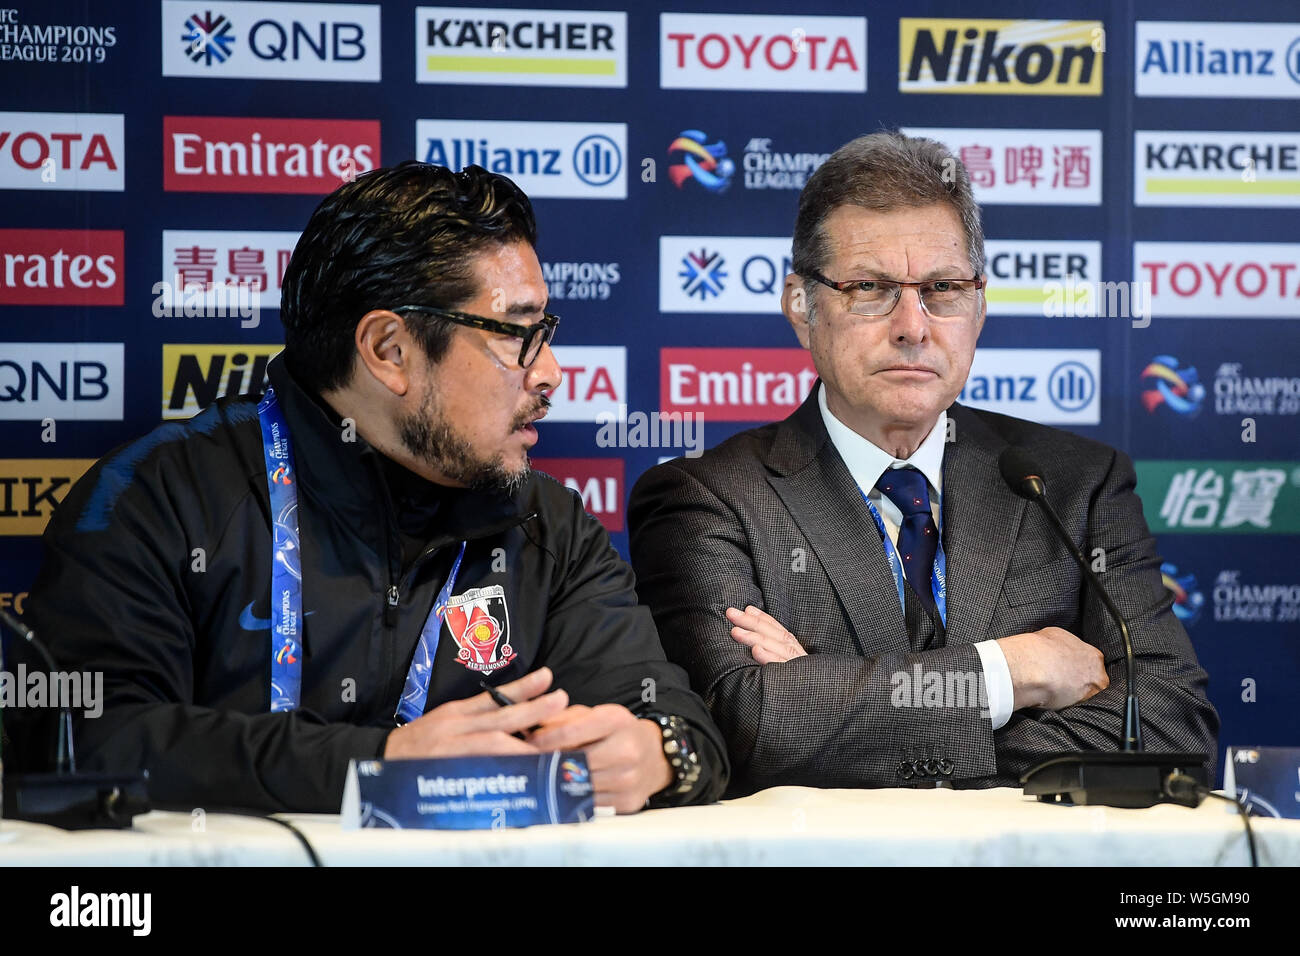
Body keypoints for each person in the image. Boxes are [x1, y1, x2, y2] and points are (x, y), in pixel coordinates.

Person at [12, 161, 726, 814]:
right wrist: (374, 766)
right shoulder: (157, 497)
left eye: (545, 330)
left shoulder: (549, 525)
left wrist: (658, 754)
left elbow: (674, 716)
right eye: (517, 335)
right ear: (390, 351)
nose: (551, 373)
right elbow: (86, 737)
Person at [628, 132, 1218, 797]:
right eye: (871, 289)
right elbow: (747, 729)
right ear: (802, 305)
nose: (913, 325)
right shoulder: (705, 499)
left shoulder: (1077, 485)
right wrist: (1009, 674)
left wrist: (838, 706)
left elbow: (1171, 728)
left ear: (979, 304)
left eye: (942, 288)